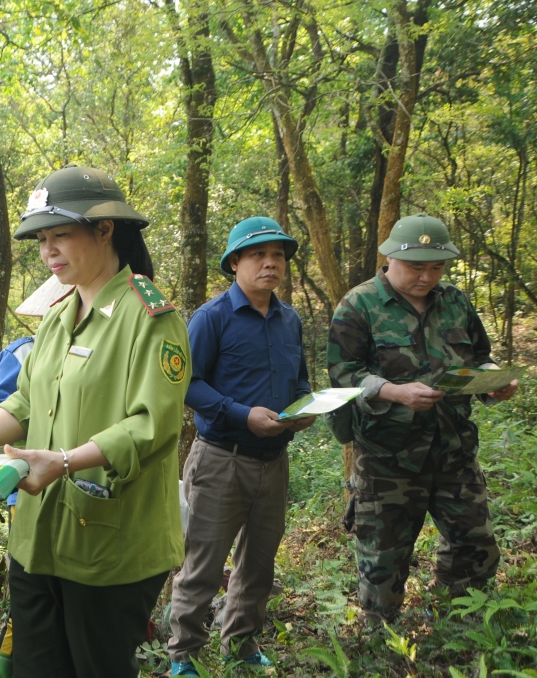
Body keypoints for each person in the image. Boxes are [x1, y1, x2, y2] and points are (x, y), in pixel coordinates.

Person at [0, 166, 189, 678]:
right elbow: (24, 406)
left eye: (61, 235)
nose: (48, 250)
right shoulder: (56, 317)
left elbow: (152, 425)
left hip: (109, 546)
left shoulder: (150, 315)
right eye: (42, 239)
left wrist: (67, 461)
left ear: (105, 229)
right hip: (37, 541)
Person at [327, 214, 519, 623]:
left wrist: (493, 383)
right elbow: (344, 375)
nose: (427, 276)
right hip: (388, 457)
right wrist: (395, 392)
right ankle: (381, 641)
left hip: (454, 449)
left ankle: (462, 625)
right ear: (391, 258)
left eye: (436, 266)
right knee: (383, 561)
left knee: (476, 545)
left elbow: (479, 359)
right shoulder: (359, 305)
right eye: (417, 266)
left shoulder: (455, 301)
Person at [167, 217, 313, 676]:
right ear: (235, 263)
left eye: (279, 256)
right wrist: (240, 412)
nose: (270, 263)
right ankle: (183, 653)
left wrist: (305, 408)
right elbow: (185, 384)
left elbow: (301, 379)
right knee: (203, 562)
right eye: (258, 255)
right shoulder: (211, 318)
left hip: (275, 461)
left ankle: (241, 641)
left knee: (259, 561)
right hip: (221, 459)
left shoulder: (290, 320)